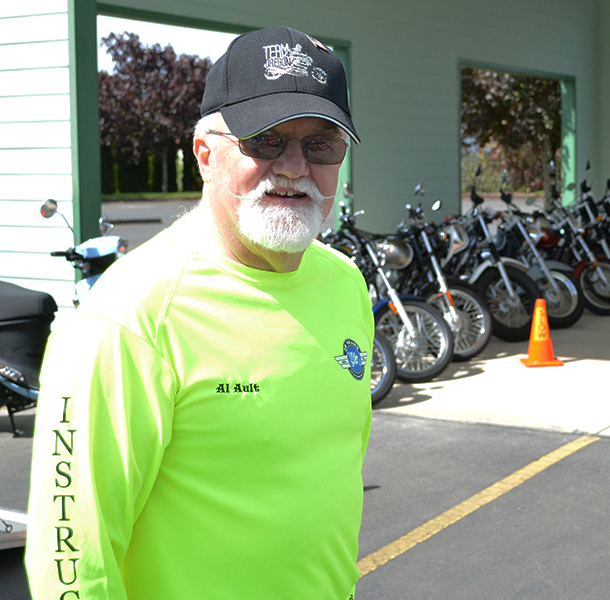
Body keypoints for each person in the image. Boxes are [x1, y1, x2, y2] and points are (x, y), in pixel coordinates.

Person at [25, 27, 372, 600]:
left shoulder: (344, 283)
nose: (293, 167)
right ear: (206, 155)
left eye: (321, 145)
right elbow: (71, 555)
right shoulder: (129, 316)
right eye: (264, 141)